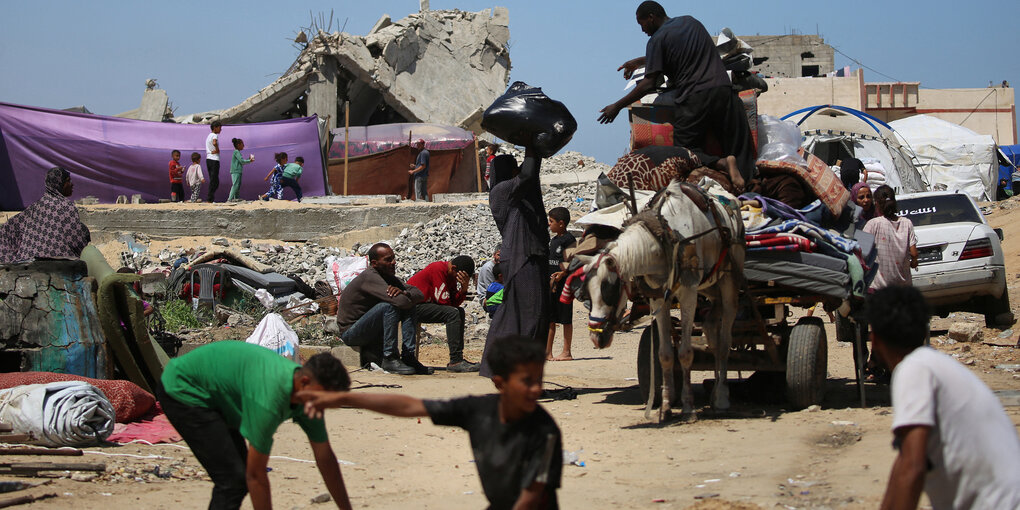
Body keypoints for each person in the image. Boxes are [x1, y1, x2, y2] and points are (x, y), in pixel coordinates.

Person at [298, 336, 562, 510]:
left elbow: (530, 497)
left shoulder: (545, 432)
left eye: (539, 379)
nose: (536, 389)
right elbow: (411, 406)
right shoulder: (479, 410)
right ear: (500, 383)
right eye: (527, 381)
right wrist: (344, 398)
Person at [868, 286, 1020, 510]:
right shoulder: (933, 364)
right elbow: (903, 463)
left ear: (875, 339)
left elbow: (912, 468)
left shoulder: (914, 368)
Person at [158, 341, 353, 510]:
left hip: (220, 393)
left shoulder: (309, 398)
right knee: (233, 480)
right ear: (304, 382)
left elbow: (326, 459)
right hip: (184, 388)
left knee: (237, 477)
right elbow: (256, 476)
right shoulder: (269, 400)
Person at [597, 1, 755, 188]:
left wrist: (617, 106)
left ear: (651, 17)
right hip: (723, 90)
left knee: (684, 152)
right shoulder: (691, 22)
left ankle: (720, 163)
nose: (642, 30)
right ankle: (749, 189)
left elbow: (649, 83)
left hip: (694, 98)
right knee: (740, 146)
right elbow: (675, 53)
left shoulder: (656, 39)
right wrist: (639, 61)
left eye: (642, 24)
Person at [479, 150, 551, 378]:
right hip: (523, 256)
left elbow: (530, 178)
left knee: (523, 314)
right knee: (532, 313)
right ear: (510, 171)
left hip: (526, 254)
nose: (518, 171)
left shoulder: (511, 193)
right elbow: (528, 175)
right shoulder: (503, 191)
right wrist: (533, 147)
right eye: (515, 168)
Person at [335, 243, 425, 375]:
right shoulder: (370, 277)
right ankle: (389, 357)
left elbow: (419, 294)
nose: (393, 262)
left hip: (368, 329)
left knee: (409, 306)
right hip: (351, 333)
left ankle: (409, 356)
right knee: (388, 307)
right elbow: (400, 302)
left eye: (393, 258)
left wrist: (405, 293)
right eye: (388, 260)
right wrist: (404, 296)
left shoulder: (387, 276)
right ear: (375, 263)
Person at [0, 167, 91, 263]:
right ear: (58, 184)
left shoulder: (34, 208)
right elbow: (75, 240)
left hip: (28, 261)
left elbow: (7, 230)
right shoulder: (67, 207)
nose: (71, 184)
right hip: (60, 263)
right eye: (68, 181)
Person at [407, 255, 481, 372]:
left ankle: (458, 358)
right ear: (454, 268)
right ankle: (455, 361)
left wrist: (463, 289)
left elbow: (454, 303)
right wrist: (456, 299)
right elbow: (443, 301)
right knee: (453, 313)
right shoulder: (438, 269)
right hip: (413, 306)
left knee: (459, 312)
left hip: (425, 305)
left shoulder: (450, 275)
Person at [863, 185, 917, 291]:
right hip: (904, 286)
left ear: (877, 204)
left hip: (880, 288)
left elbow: (860, 250)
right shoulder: (907, 223)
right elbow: (914, 253)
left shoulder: (873, 224)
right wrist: (914, 262)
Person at [546, 207, 576, 361]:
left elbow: (572, 261)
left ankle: (566, 351)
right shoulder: (554, 240)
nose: (549, 224)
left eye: (551, 221)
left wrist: (562, 274)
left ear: (561, 223)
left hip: (564, 285)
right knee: (550, 319)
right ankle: (548, 352)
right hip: (552, 285)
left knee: (565, 319)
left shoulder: (569, 240)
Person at [205, 121, 222, 202]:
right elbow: (214, 142)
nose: (220, 129)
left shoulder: (208, 136)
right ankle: (209, 198)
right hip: (214, 159)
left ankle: (210, 197)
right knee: (214, 181)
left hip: (208, 159)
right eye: (219, 127)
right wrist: (217, 149)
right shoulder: (214, 135)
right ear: (215, 127)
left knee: (214, 180)